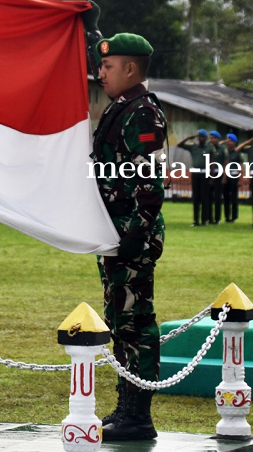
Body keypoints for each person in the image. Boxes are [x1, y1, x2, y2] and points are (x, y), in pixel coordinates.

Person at [88, 32, 167, 440]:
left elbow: (150, 184)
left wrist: (132, 239)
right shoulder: (121, 108)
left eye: (108, 66)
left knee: (135, 323)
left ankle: (138, 415)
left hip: (131, 236)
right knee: (120, 321)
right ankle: (125, 408)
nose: (100, 72)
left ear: (131, 69)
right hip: (115, 233)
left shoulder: (143, 113)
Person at [177, 129, 213, 226]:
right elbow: (179, 145)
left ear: (205, 138)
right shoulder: (193, 147)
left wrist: (212, 177)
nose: (200, 138)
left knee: (204, 197)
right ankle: (196, 220)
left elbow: (212, 163)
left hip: (205, 174)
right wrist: (189, 138)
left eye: (202, 137)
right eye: (199, 136)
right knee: (196, 197)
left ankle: (204, 220)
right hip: (195, 174)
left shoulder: (209, 148)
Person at [207, 131, 226, 224]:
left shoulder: (222, 149)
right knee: (208, 197)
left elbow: (226, 163)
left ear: (218, 139)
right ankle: (209, 218)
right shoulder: (208, 148)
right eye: (211, 138)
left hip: (219, 174)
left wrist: (224, 177)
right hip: (209, 174)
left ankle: (217, 218)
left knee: (218, 197)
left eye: (214, 138)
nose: (212, 140)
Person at [223, 134, 242, 223]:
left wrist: (240, 179)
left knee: (234, 197)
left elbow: (240, 167)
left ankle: (234, 217)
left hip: (234, 176)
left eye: (231, 141)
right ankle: (227, 216)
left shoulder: (237, 153)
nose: (229, 142)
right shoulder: (224, 152)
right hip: (225, 176)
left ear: (235, 143)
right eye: (228, 140)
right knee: (226, 197)